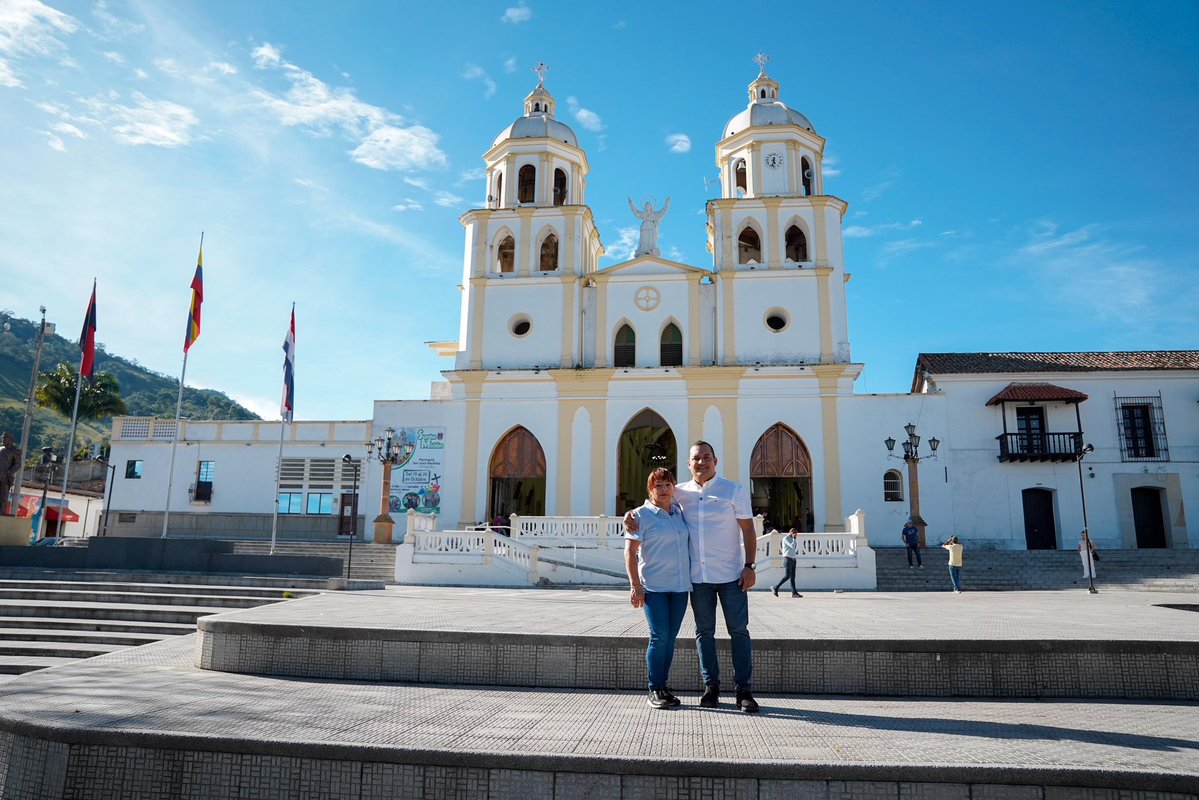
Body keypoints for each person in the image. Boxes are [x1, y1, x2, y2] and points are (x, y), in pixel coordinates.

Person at [626, 441, 760, 712]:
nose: (701, 462)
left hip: (732, 575)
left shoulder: (733, 490)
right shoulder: (681, 493)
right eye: (696, 458)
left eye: (706, 457)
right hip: (698, 579)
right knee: (704, 633)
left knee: (739, 632)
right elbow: (655, 500)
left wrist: (750, 565)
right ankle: (711, 688)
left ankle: (743, 690)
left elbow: (748, 529)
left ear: (715, 460)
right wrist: (630, 514)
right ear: (688, 464)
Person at [625, 467, 691, 710]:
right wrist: (635, 586)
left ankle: (663, 686)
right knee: (659, 636)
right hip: (654, 587)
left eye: (667, 485)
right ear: (650, 490)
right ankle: (655, 687)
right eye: (658, 486)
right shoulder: (640, 516)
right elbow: (630, 552)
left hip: (680, 587)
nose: (664, 490)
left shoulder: (680, 512)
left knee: (670, 638)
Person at [772, 527, 802, 597]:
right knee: (787, 576)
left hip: (793, 560)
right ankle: (775, 587)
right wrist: (794, 539)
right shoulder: (786, 539)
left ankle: (794, 592)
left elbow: (794, 547)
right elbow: (792, 546)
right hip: (788, 560)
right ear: (791, 533)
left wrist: (794, 539)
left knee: (793, 577)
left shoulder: (793, 539)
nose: (795, 535)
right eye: (794, 533)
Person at [0, 432, 20, 516]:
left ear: (10, 440)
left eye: (5, 438)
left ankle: (1, 511)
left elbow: (17, 464)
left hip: (5, 477)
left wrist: (10, 471)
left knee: (3, 495)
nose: (3, 439)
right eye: (3, 438)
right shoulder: (0, 449)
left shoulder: (14, 451)